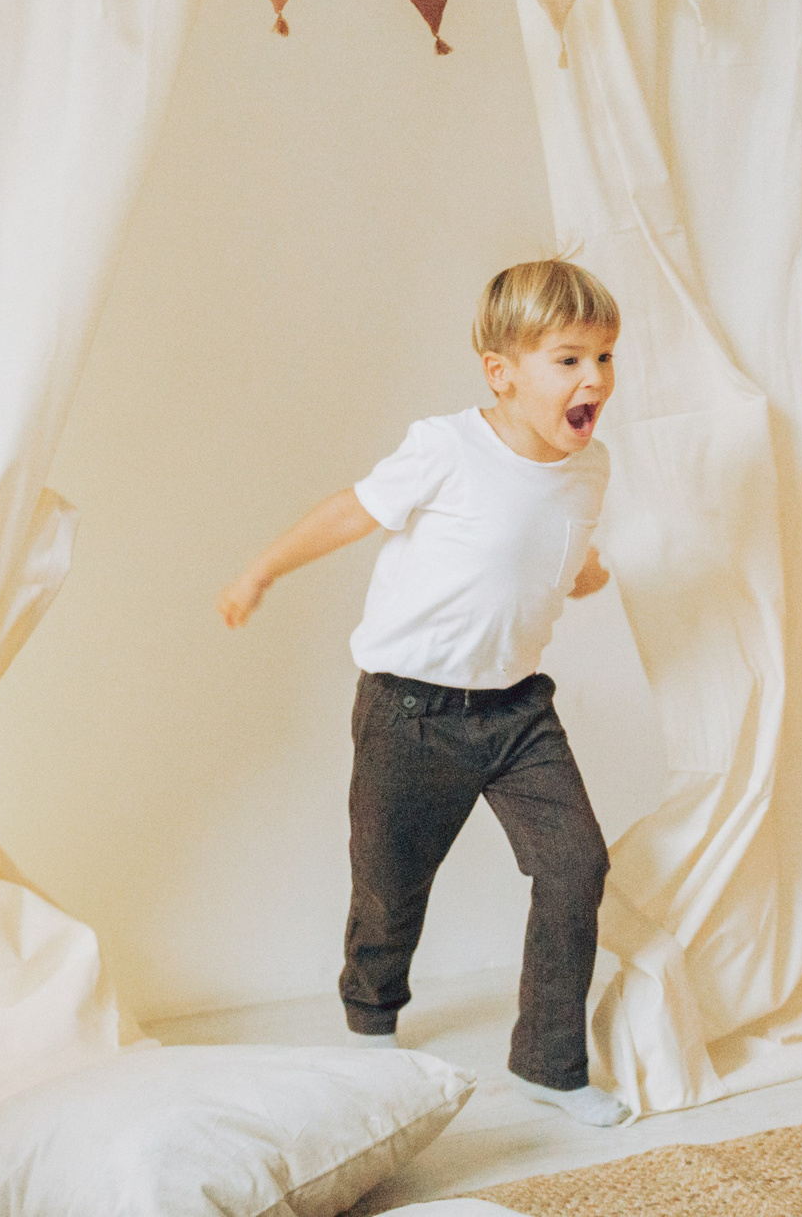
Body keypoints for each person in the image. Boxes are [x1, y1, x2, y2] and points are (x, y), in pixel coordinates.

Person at [219, 259, 630, 1126]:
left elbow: (554, 544)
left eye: (604, 356)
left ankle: (549, 1063)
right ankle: (371, 1029)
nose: (593, 378)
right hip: (412, 710)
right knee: (389, 882)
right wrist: (259, 570)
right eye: (568, 359)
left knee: (575, 864)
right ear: (502, 371)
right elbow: (351, 510)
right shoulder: (445, 447)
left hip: (519, 711)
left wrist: (584, 574)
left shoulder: (589, 470)